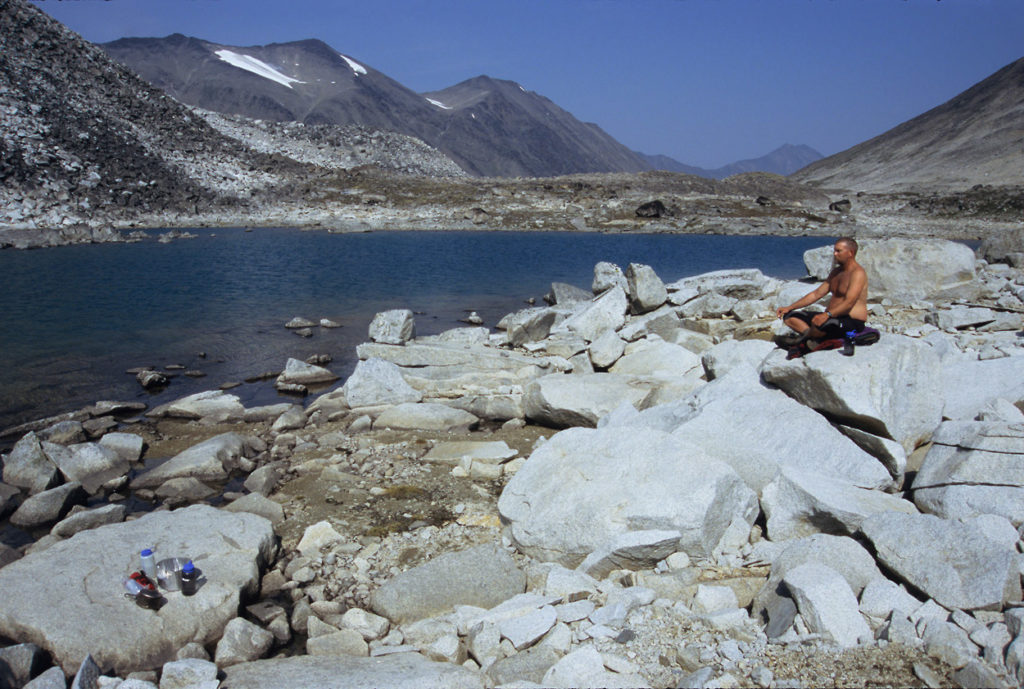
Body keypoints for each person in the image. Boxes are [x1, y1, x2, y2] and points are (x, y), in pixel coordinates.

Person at [776, 237, 868, 355]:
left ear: (850, 253)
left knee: (826, 324)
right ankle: (812, 338)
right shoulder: (836, 272)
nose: (834, 254)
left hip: (851, 321)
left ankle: (803, 340)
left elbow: (849, 302)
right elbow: (816, 294)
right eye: (834, 251)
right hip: (829, 317)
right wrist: (790, 307)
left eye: (838, 251)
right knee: (790, 316)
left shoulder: (858, 273)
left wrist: (827, 314)